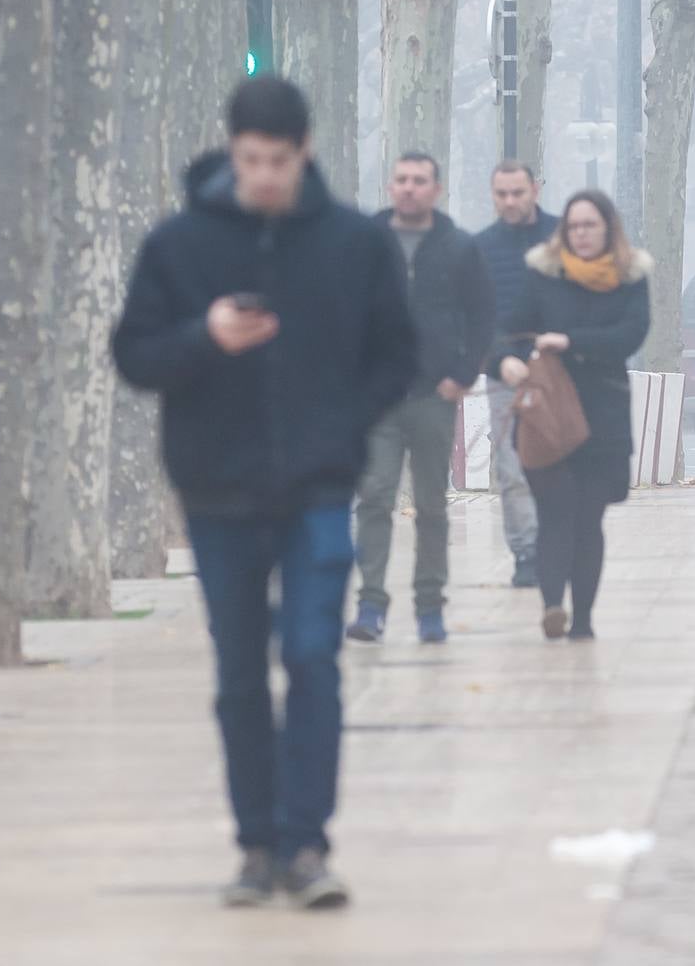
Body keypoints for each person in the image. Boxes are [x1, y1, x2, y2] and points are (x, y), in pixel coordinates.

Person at [111, 76, 415, 911]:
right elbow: (134, 354)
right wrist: (204, 337)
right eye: (251, 161)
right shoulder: (178, 245)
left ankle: (308, 842)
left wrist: (340, 422)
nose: (266, 176)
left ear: (303, 152)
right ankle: (255, 844)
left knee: (313, 657)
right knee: (240, 672)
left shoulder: (354, 243)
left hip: (319, 487)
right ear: (233, 152)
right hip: (216, 488)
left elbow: (397, 354)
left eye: (279, 161)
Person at [347, 152, 494, 646]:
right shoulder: (365, 243)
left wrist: (462, 373)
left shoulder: (459, 247)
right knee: (374, 497)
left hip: (435, 394)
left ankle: (430, 606)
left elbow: (481, 318)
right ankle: (370, 604)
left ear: (437, 188)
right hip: (378, 400)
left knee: (432, 504)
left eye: (420, 181)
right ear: (391, 187)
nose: (410, 188)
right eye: (402, 180)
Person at [495, 191, 651, 641]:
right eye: (574, 225)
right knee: (555, 510)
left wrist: (570, 341)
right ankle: (551, 607)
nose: (581, 233)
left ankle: (582, 619)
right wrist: (508, 360)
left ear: (608, 229)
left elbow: (630, 334)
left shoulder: (630, 276)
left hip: (603, 415)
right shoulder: (543, 274)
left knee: (588, 518)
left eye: (590, 225)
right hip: (548, 414)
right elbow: (509, 331)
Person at [474, 161, 559, 587]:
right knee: (511, 467)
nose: (509, 201)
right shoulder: (480, 248)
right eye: (501, 194)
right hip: (504, 373)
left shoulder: (564, 238)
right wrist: (500, 358)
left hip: (559, 373)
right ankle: (526, 553)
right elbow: (472, 317)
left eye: (517, 192)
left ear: (534, 190)